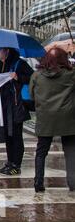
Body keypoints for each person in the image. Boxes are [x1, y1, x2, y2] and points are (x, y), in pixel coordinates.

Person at [29, 48, 75, 193]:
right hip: (68, 118)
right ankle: (73, 182)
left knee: (41, 151)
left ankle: (38, 182)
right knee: (71, 151)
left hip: (45, 118)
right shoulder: (71, 75)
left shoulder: (36, 76)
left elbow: (31, 95)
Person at [0, 48, 34, 176]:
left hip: (17, 105)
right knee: (8, 135)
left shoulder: (19, 63)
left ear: (7, 51)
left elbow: (32, 77)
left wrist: (18, 77)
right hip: (5, 105)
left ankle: (17, 164)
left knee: (16, 135)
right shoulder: (1, 65)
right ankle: (10, 162)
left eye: (0, 51)